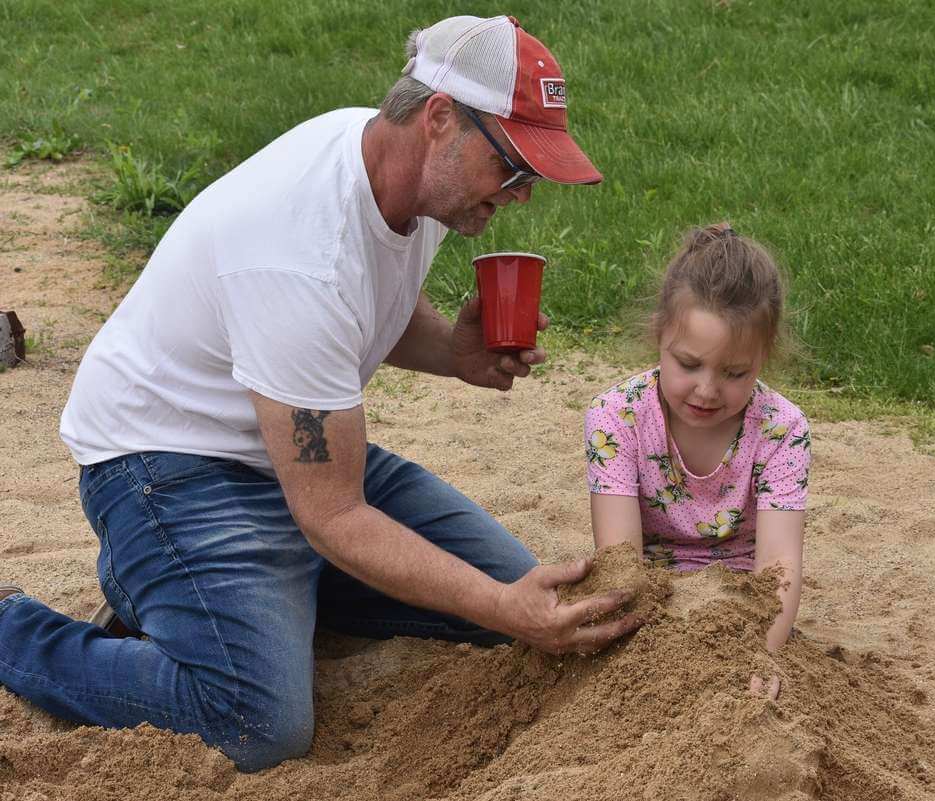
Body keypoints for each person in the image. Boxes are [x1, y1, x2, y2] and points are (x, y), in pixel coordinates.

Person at [0, 14, 638, 772]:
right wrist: (499, 604)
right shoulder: (297, 251)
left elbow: (362, 300)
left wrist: (452, 351)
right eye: (513, 165)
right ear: (440, 118)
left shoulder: (400, 172)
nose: (522, 193)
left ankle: (218, 598)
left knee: (520, 600)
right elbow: (334, 513)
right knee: (258, 722)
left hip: (292, 457)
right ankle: (22, 624)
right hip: (165, 469)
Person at [585, 223, 810, 700]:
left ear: (765, 357)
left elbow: (779, 565)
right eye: (689, 364)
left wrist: (763, 653)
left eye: (735, 373)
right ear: (659, 334)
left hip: (744, 610)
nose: (707, 390)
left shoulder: (782, 428)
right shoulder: (616, 416)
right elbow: (620, 560)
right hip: (652, 603)